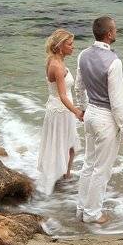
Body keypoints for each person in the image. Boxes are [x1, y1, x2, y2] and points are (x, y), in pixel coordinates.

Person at [74, 14, 123, 224]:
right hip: (105, 119)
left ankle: (82, 208)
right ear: (109, 34)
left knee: (88, 164)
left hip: (89, 114)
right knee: (102, 169)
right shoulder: (114, 62)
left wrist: (81, 109)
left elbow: (78, 87)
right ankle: (93, 213)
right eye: (115, 29)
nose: (116, 32)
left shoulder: (83, 54)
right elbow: (117, 104)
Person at [35, 28, 83, 195]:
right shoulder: (57, 66)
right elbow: (62, 95)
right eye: (70, 44)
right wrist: (76, 111)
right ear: (60, 46)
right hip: (61, 110)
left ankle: (63, 177)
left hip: (58, 108)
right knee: (66, 147)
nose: (73, 47)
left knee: (65, 146)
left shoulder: (53, 60)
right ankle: (63, 179)